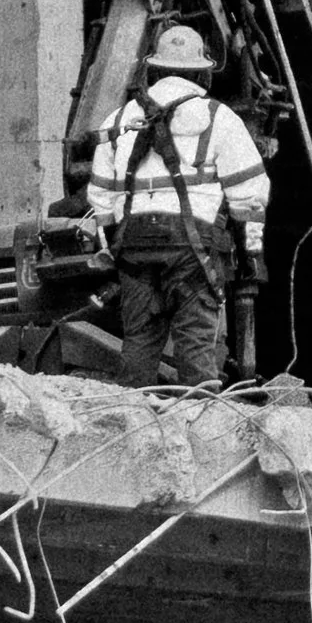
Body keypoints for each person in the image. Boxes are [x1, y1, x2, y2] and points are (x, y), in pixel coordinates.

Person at [87, 24, 270, 388]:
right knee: (196, 346)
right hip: (193, 250)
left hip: (134, 246)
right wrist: (251, 253)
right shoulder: (219, 118)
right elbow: (249, 197)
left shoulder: (119, 120)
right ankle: (204, 426)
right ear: (202, 71)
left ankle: (131, 424)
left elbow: (101, 200)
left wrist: (113, 249)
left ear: (153, 68)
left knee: (138, 341)